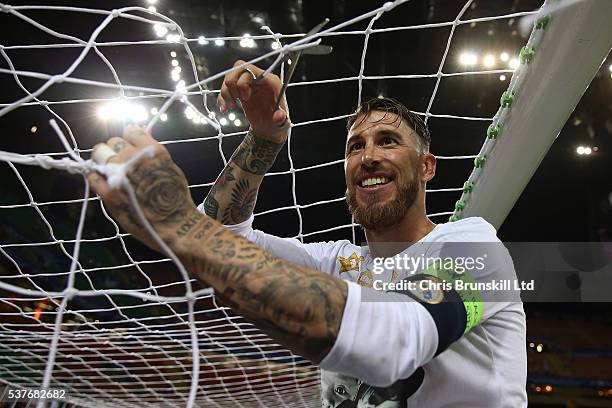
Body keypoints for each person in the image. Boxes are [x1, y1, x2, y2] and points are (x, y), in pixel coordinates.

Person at [89, 60, 527, 407]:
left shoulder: (477, 248)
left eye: (388, 141)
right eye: (356, 147)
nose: (368, 157)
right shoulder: (340, 263)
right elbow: (219, 235)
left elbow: (394, 343)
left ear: (427, 166)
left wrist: (177, 222)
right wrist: (264, 138)